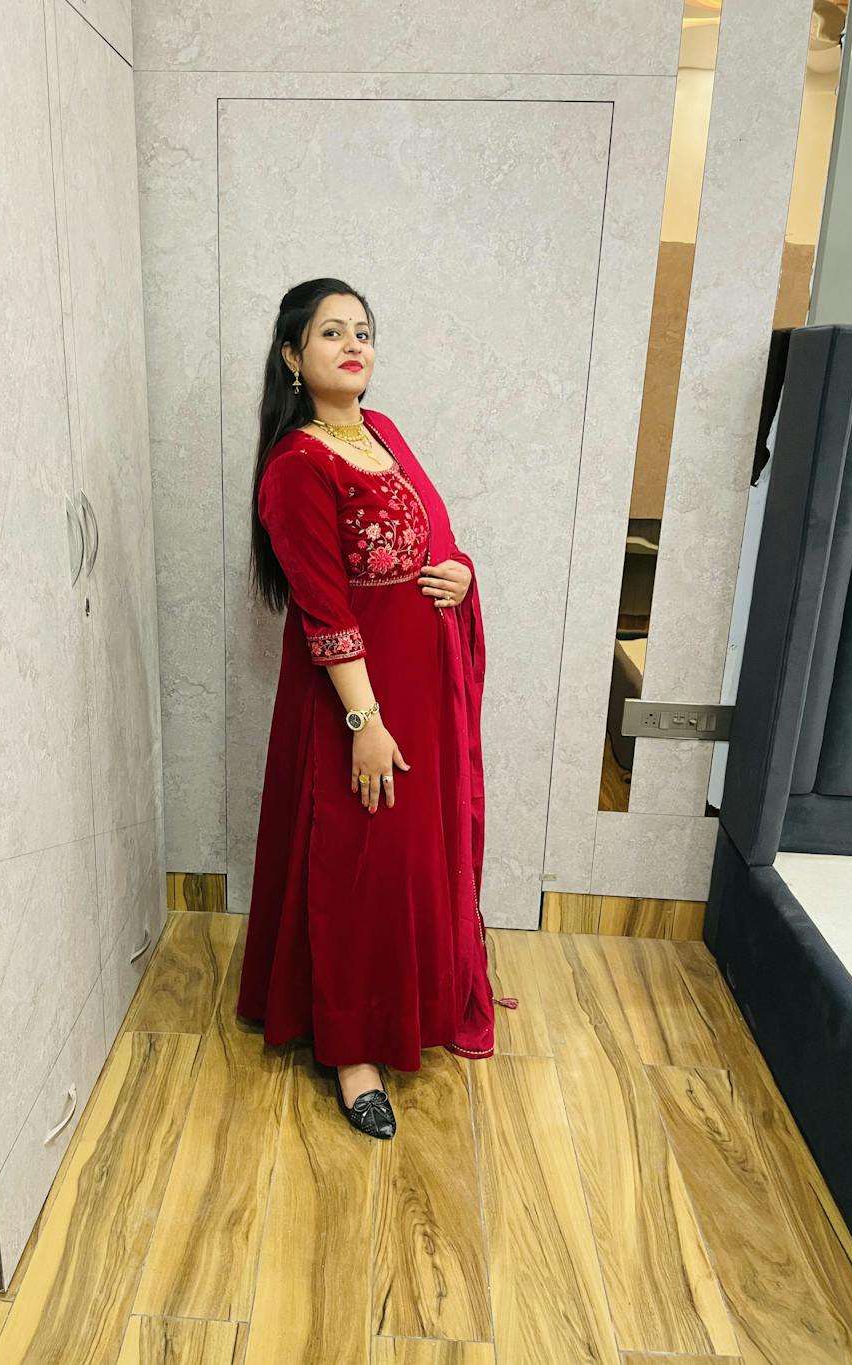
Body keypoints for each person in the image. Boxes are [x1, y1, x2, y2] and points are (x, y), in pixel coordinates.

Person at [236, 278, 518, 1140]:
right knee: (357, 859)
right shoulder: (298, 466)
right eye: (331, 332)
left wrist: (459, 570)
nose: (353, 344)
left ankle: (411, 1003)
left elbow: (432, 538)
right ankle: (353, 1048)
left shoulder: (382, 433)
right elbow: (324, 611)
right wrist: (364, 723)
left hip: (421, 687)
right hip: (353, 697)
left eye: (363, 330)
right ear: (293, 355)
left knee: (408, 856)